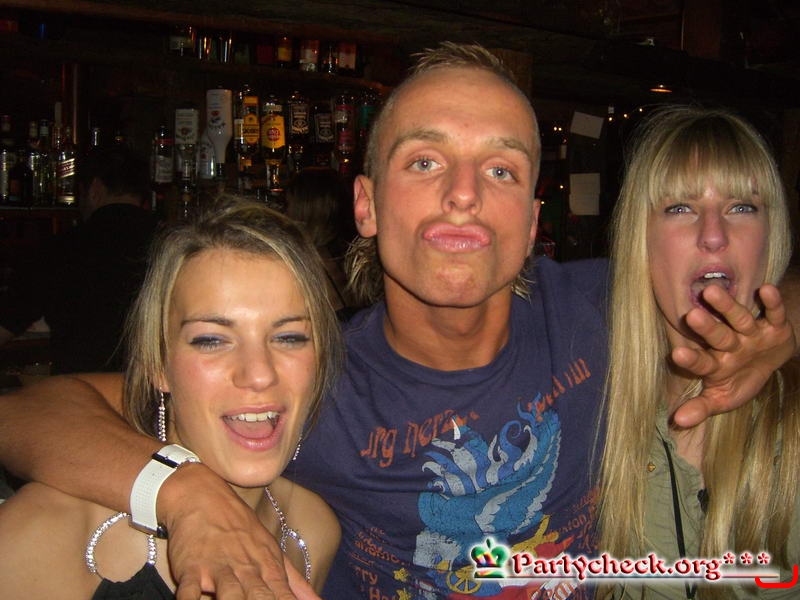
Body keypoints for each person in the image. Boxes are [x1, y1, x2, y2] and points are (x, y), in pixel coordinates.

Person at [0, 44, 795, 600]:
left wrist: (781, 328)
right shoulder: (308, 380)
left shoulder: (598, 310)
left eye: (500, 168)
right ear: (367, 205)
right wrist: (184, 494)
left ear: (530, 221)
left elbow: (744, 266)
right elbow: (28, 411)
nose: (463, 193)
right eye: (424, 161)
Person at [0, 197, 342, 596]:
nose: (260, 374)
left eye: (289, 337)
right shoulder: (48, 533)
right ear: (158, 365)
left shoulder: (312, 530)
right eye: (211, 340)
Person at [599, 106, 799, 598]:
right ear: (641, 240)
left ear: (770, 237)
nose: (713, 235)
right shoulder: (588, 406)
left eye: (742, 207)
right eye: (679, 208)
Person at [0, 143, 158, 374]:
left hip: (77, 390)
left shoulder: (59, 249)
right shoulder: (173, 245)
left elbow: (7, 321)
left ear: (94, 189)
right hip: (156, 391)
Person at [284, 167, 357, 313]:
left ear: (304, 210)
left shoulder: (307, 264)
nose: (284, 212)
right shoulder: (351, 252)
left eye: (287, 204)